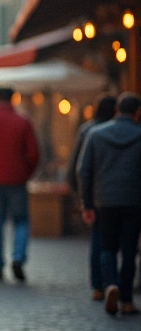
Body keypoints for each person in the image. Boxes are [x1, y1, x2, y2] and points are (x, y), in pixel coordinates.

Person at [77, 92, 141, 315]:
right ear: (137, 113)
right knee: (130, 250)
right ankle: (126, 299)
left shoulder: (95, 134)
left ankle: (109, 284)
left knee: (107, 247)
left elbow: (83, 171)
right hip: (134, 200)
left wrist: (87, 203)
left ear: (117, 111)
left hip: (104, 200)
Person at [0, 85, 40, 282]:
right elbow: (33, 154)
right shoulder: (23, 121)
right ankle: (18, 258)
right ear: (14, 98)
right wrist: (25, 174)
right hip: (17, 180)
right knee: (21, 221)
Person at [69, 94, 116, 301]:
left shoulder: (88, 130)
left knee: (99, 239)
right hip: (129, 196)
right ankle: (120, 286)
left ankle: (99, 285)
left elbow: (79, 167)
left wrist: (81, 196)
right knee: (128, 242)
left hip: (98, 194)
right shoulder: (135, 131)